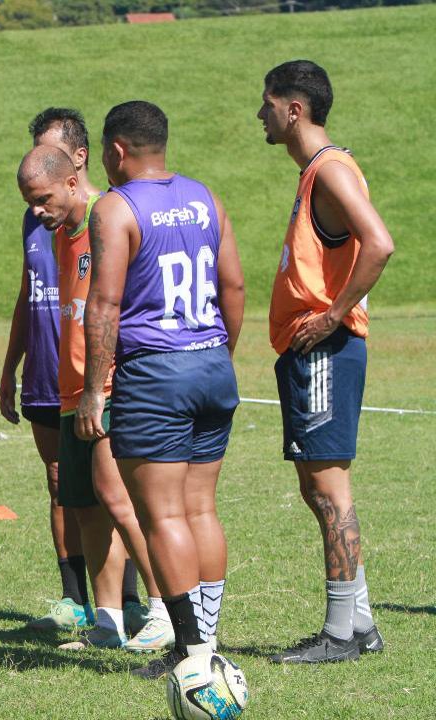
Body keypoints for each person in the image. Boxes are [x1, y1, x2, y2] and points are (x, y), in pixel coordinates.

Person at [77, 101, 244, 679]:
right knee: (201, 507)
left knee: (163, 515)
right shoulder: (206, 197)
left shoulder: (115, 206)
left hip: (155, 372)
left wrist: (96, 388)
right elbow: (235, 284)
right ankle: (209, 637)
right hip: (211, 360)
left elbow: (104, 303)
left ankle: (192, 650)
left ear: (117, 150)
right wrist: (220, 351)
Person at [258, 60, 392, 664]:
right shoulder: (317, 171)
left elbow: (380, 242)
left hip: (325, 351)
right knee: (318, 488)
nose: (259, 115)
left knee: (329, 490)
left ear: (294, 109)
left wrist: (335, 313)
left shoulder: (330, 170)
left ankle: (340, 633)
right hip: (308, 350)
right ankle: (358, 624)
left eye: (266, 104)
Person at [17, 146, 172, 653]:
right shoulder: (60, 233)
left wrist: (99, 389)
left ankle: (165, 611)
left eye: (42, 199)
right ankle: (106, 622)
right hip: (70, 389)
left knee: (116, 498)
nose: (37, 211)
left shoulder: (107, 221)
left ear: (71, 181)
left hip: (103, 390)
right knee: (83, 505)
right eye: (30, 202)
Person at [0, 109, 96, 633]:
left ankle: (123, 600)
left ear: (76, 161)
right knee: (59, 484)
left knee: (106, 491)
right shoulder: (33, 217)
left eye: (50, 154)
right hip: (44, 372)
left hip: (91, 374)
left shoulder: (107, 215)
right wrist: (11, 365)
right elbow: (26, 291)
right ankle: (72, 597)